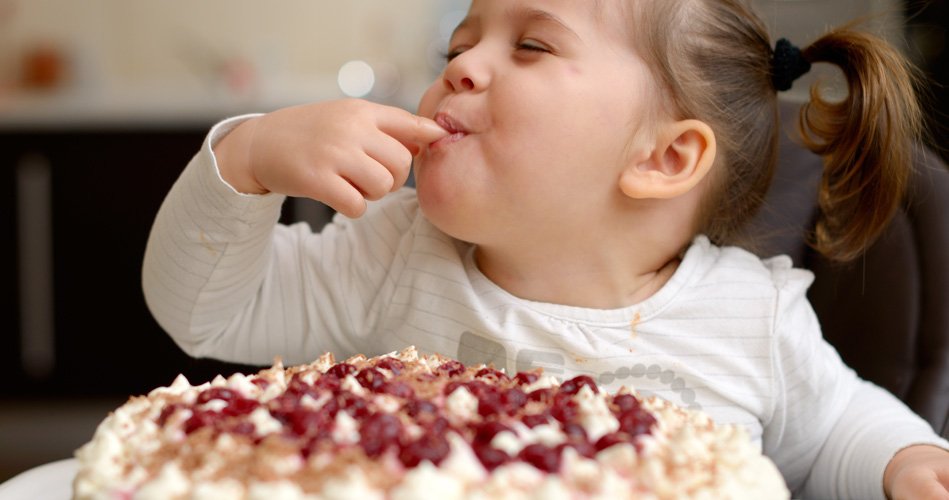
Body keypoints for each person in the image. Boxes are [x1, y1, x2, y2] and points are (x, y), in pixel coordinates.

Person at [142, 0, 949, 498]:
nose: (462, 67)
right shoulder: (391, 255)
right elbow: (208, 316)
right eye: (456, 47)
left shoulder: (750, 318)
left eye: (530, 46)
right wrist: (244, 161)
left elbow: (837, 424)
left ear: (662, 159)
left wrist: (906, 460)